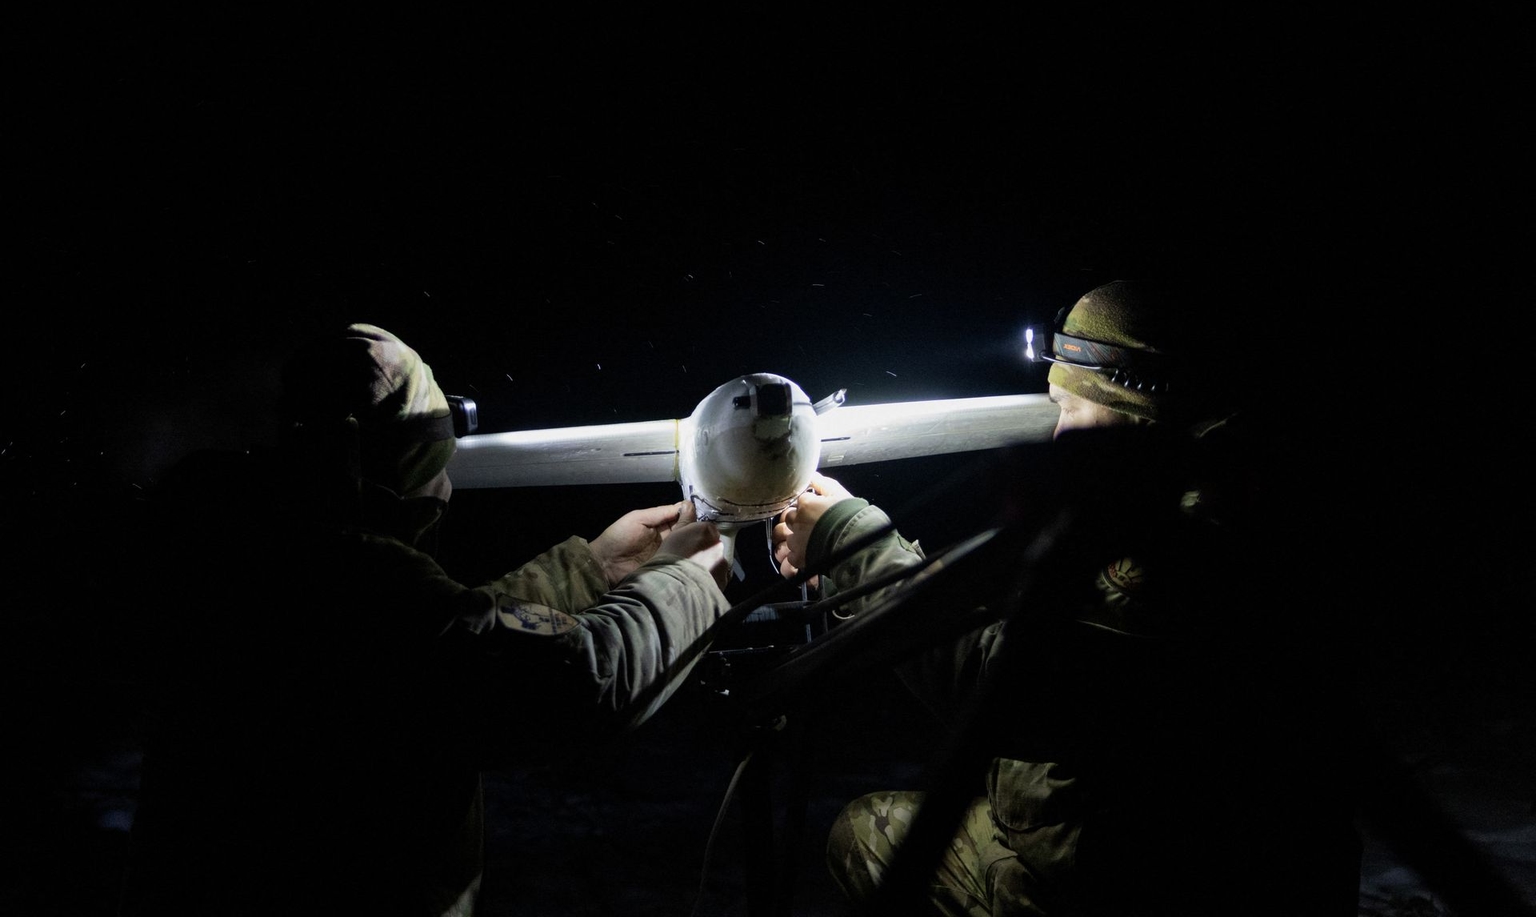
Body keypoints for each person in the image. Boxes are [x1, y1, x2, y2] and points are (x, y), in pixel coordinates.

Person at [772, 279, 1362, 916]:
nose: (1057, 436)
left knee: (868, 837)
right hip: (1183, 848)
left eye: (1071, 411)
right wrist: (859, 571)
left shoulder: (1194, 529)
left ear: (1136, 410)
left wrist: (847, 540)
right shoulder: (1223, 485)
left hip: (1154, 879)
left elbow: (1006, 685)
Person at [118, 322, 734, 917]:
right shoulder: (346, 578)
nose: (443, 490)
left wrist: (594, 567)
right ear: (365, 467)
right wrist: (685, 579)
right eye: (427, 466)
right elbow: (573, 682)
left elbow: (456, 634)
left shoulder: (248, 549)